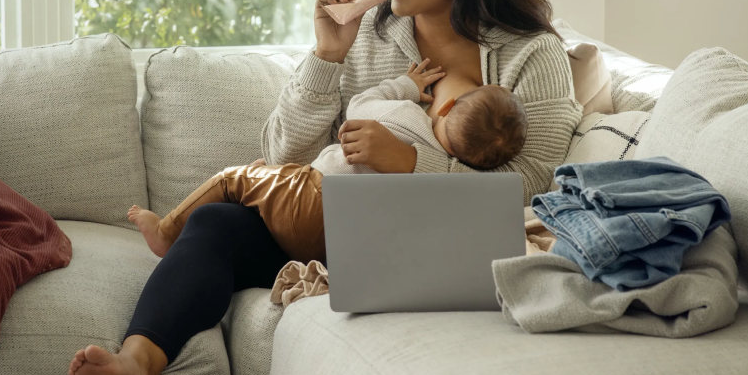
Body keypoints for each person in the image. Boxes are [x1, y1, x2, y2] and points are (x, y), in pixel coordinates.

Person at [67, 0, 579, 375]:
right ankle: (137, 363)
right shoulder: (368, 33)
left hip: (440, 246)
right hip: (336, 227)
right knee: (214, 222)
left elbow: (536, 184)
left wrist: (410, 162)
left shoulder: (531, 53)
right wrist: (328, 55)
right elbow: (282, 154)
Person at [127, 58, 529, 260]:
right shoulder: (452, 179)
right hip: (342, 244)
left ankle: (165, 230)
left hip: (313, 198)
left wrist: (406, 85)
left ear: (446, 106)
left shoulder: (405, 116)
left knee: (234, 178)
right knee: (268, 178)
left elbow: (360, 104)